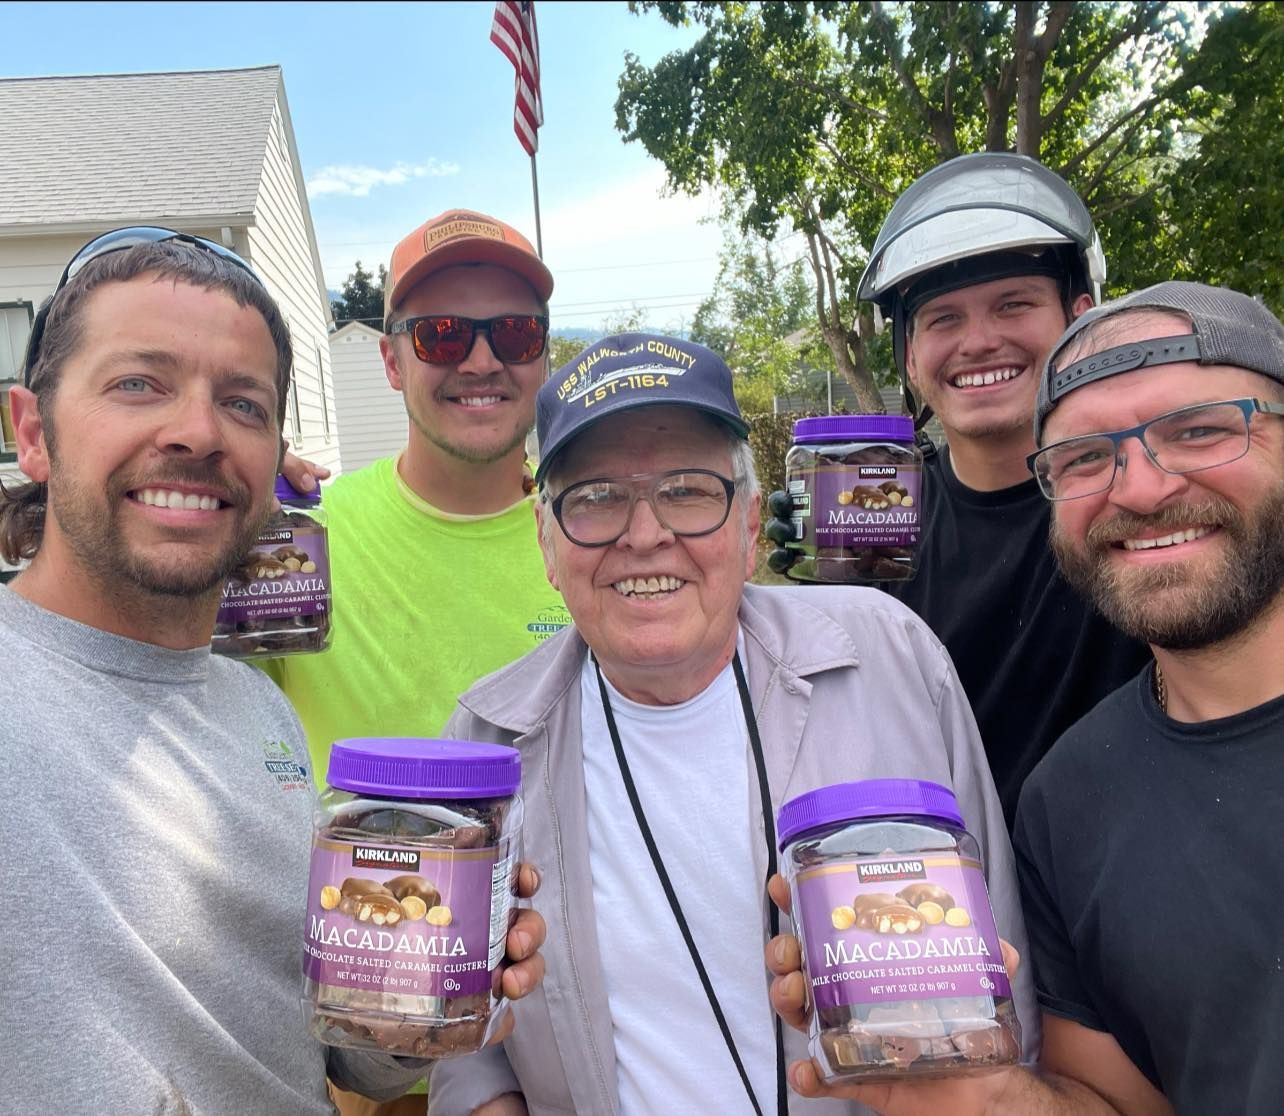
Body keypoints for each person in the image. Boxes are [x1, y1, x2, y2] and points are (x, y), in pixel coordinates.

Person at [0, 228, 546, 1114]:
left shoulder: (262, 715)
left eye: (244, 405)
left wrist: (437, 992)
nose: (198, 433)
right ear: (33, 430)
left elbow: (327, 1053)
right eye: (139, 383)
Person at [425, 333, 1037, 1116]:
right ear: (547, 545)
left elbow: (1007, 991)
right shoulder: (485, 739)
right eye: (597, 497)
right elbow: (470, 1050)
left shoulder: (891, 657)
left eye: (687, 489)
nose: (644, 534)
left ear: (750, 528)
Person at [767, 281, 1284, 1114]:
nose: (1142, 489)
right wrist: (981, 1096)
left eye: (1199, 431)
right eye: (1085, 457)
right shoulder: (1069, 801)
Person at [770, 153, 1150, 826]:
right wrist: (803, 607)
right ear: (910, 358)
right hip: (933, 895)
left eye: (1014, 304)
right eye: (943, 318)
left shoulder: (1141, 496)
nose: (978, 341)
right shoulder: (879, 517)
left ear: (1080, 319)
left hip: (1119, 872)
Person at [268, 208, 569, 791]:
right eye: (442, 335)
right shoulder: (302, 543)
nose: (482, 362)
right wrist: (222, 490)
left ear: (543, 357)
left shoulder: (596, 542)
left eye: (515, 333)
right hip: (361, 887)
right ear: (391, 362)